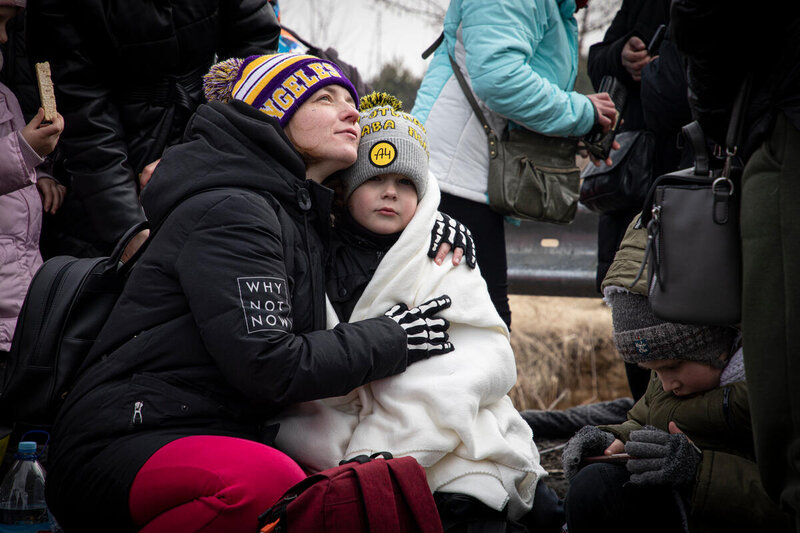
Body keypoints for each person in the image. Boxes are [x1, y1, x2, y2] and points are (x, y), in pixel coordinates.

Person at [43, 54, 458, 533]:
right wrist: (394, 338)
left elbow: (366, 246)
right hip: (129, 437)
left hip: (210, 429)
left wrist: (432, 227)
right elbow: (268, 364)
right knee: (265, 482)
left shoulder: (297, 210)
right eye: (325, 99)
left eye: (352, 101)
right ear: (271, 114)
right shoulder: (233, 208)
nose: (351, 113)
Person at [274, 93, 563, 533]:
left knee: (523, 500)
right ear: (345, 188)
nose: (391, 192)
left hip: (445, 408)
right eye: (375, 179)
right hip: (344, 412)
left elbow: (477, 349)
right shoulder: (316, 253)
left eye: (407, 183)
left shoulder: (442, 254)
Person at [669, 4, 800, 527]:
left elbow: (703, 16)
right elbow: (645, 411)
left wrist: (724, 120)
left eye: (673, 365)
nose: (670, 384)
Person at [411, 0, 618, 329]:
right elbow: (500, 81)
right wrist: (582, 113)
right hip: (453, 182)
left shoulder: (554, 8)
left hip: (464, 180)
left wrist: (581, 130)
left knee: (478, 328)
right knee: (480, 331)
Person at [25, 0, 280, 259]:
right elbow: (83, 109)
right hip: (108, 167)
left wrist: (194, 150)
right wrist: (125, 227)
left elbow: (254, 53)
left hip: (212, 132)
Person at [560, 286, 791, 532]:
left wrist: (697, 472)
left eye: (673, 366)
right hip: (688, 507)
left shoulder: (779, 394)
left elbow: (786, 505)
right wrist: (613, 440)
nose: (667, 384)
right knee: (595, 485)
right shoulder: (671, 383)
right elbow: (644, 419)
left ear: (714, 345)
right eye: (654, 371)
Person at [586, 0, 692, 401]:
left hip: (683, 178)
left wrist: (656, 72)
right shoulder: (642, 2)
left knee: (680, 312)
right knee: (629, 311)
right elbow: (599, 58)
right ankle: (641, 413)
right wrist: (620, 55)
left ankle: (672, 418)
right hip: (629, 185)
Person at [0, 0, 64, 355]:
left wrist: (36, 172)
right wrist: (25, 152)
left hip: (19, 299)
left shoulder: (5, 94)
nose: (4, 38)